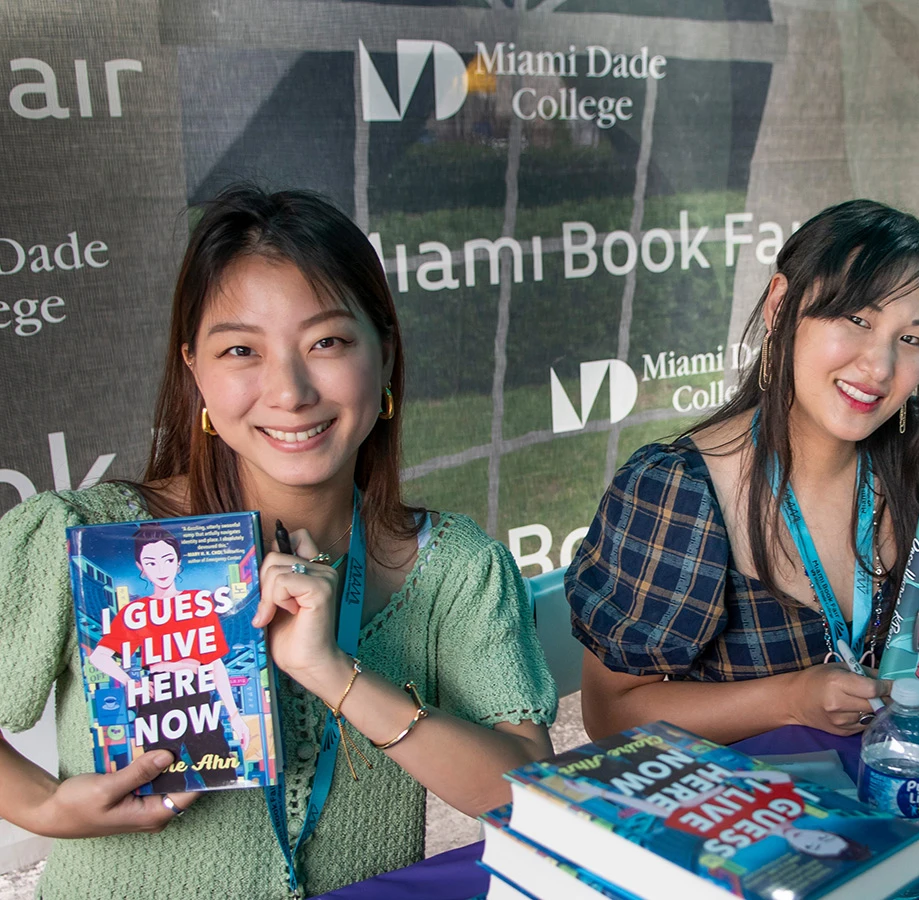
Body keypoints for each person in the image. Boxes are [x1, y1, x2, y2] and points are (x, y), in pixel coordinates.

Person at [0, 185, 557, 899]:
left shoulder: (454, 568)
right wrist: (45, 807)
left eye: (326, 342)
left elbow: (520, 795)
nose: (290, 391)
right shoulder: (84, 539)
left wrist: (332, 671)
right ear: (195, 371)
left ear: (384, 353)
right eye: (240, 350)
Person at [568, 199, 919, 743]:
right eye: (857, 319)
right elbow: (609, 714)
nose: (880, 366)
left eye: (910, 338)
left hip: (911, 784)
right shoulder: (676, 493)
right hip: (754, 813)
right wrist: (791, 700)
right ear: (780, 306)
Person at [86, 526, 250, 791]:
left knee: (221, 772)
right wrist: (131, 683)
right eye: (151, 562)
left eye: (168, 559)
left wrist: (234, 715)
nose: (161, 569)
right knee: (165, 776)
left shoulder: (199, 603)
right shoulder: (135, 611)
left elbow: (215, 664)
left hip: (198, 694)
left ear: (178, 562)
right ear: (141, 567)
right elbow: (99, 657)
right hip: (157, 698)